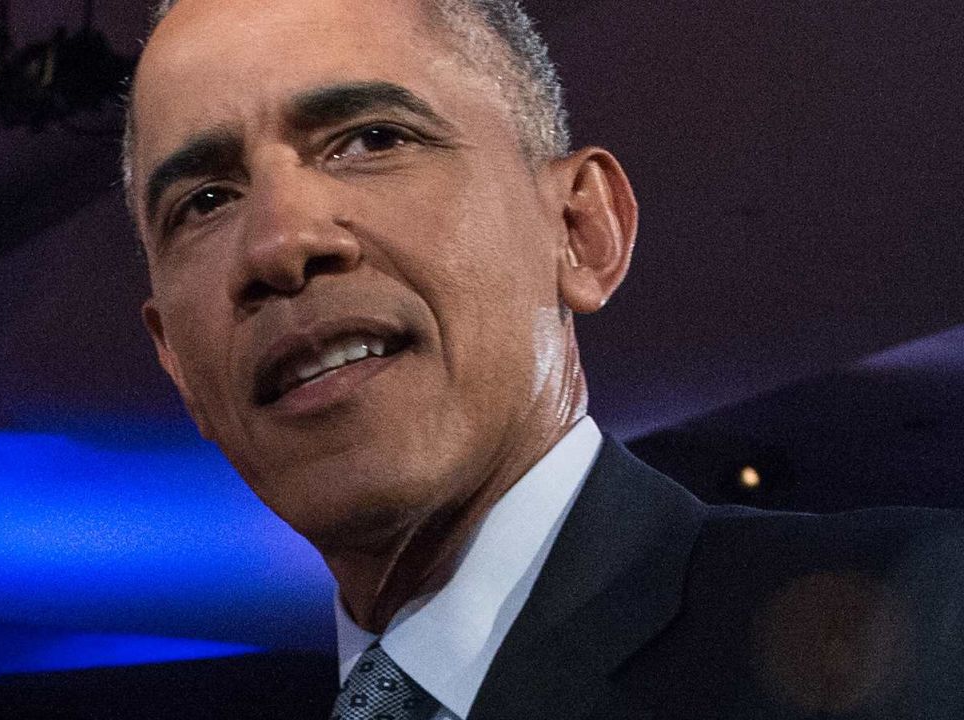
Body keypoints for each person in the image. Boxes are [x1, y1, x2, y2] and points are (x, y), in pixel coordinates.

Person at [120, 0, 964, 717]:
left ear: (580, 232)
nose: (278, 242)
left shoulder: (921, 630)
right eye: (204, 201)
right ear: (177, 365)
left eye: (371, 138)